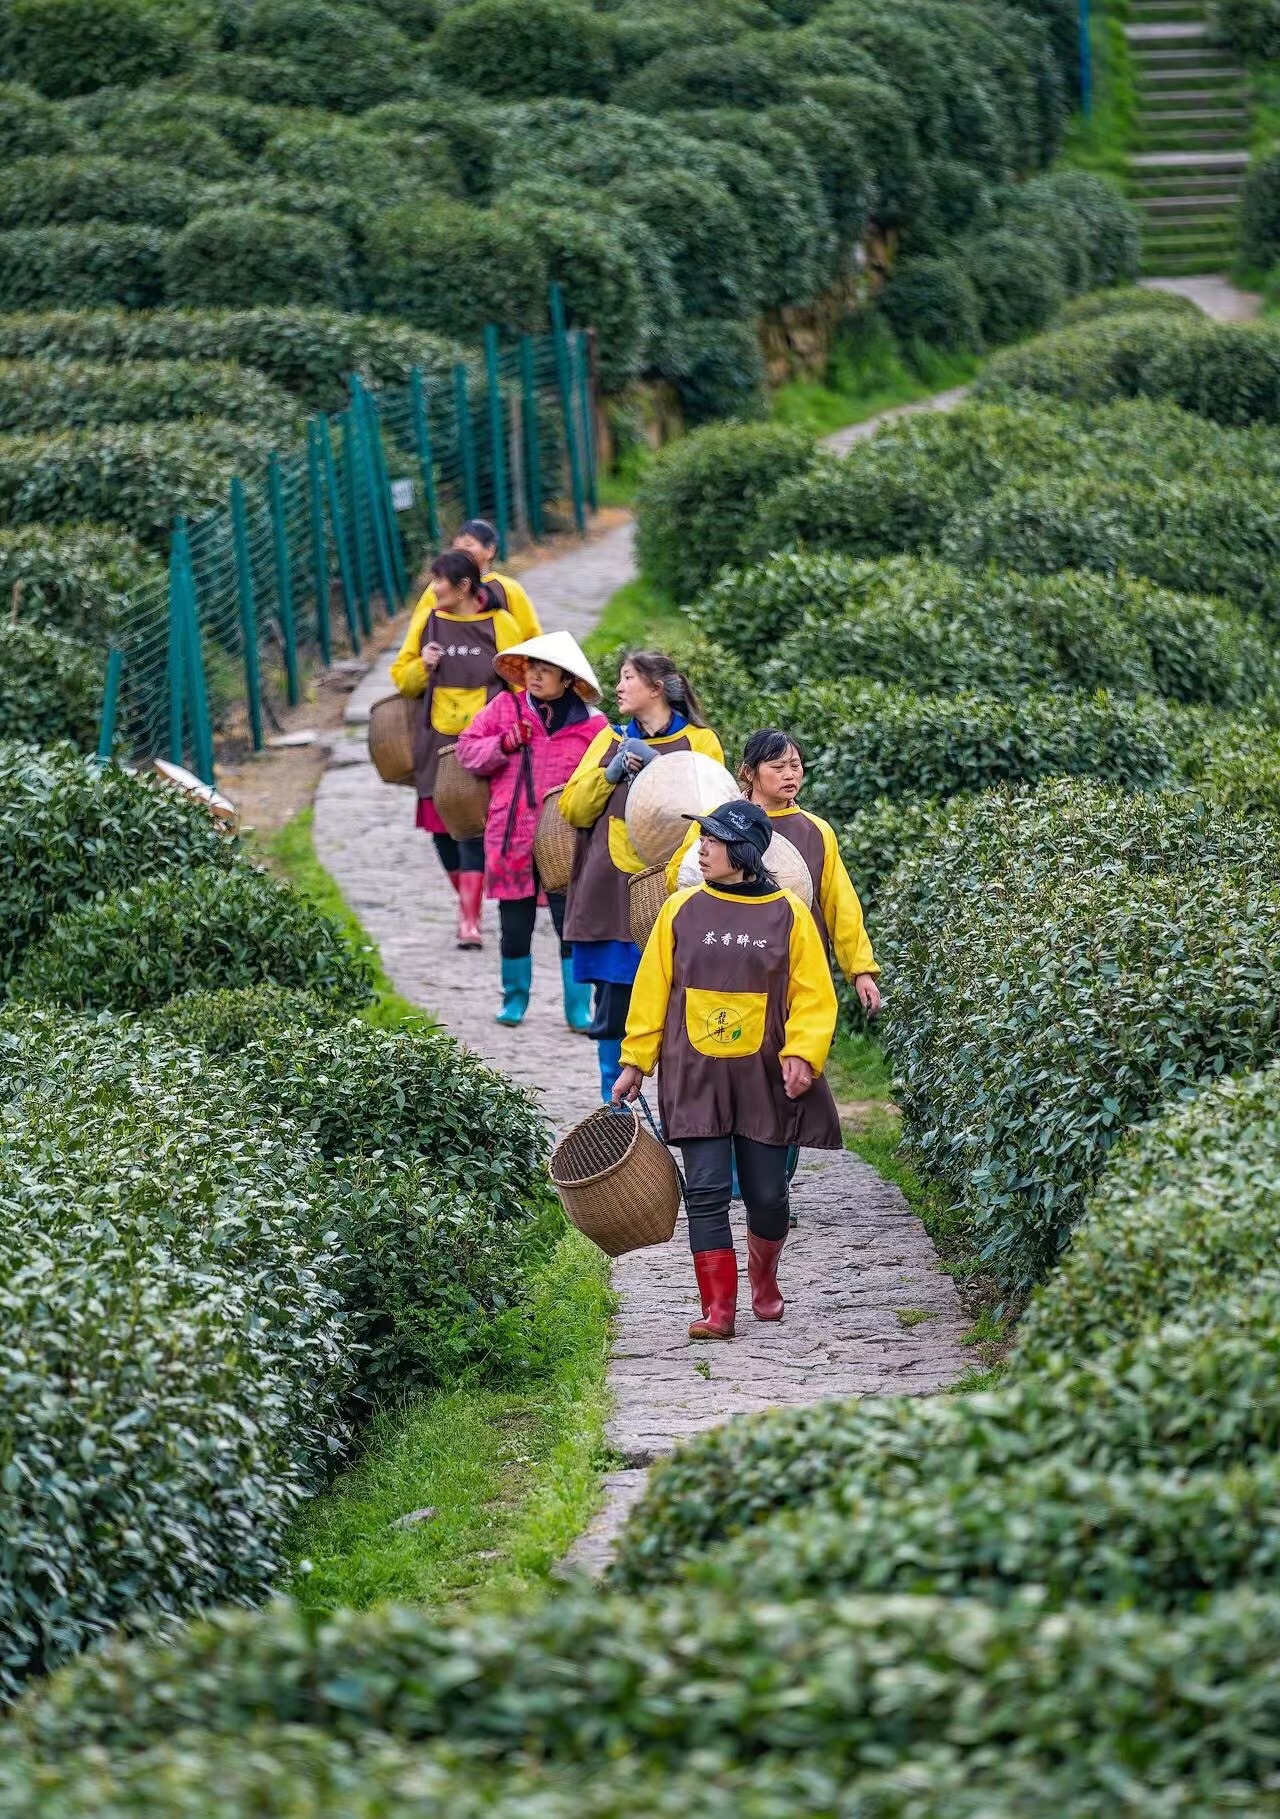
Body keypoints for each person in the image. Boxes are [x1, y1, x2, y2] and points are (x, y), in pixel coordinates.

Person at [612, 799, 841, 1341]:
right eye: (701, 840)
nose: (702, 849)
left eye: (712, 841)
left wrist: (804, 1053)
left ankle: (764, 1278)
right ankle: (719, 1310)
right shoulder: (680, 910)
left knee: (767, 1194)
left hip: (764, 1076)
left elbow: (813, 994)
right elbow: (652, 990)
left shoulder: (789, 913)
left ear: (741, 851)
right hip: (696, 1074)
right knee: (707, 1190)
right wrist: (634, 1061)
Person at [560, 650, 724, 1103]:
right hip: (610, 891)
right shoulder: (608, 739)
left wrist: (662, 773)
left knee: (679, 1005)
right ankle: (614, 1114)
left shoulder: (700, 743)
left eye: (628, 677)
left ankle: (684, 1114)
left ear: (656, 687)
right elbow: (573, 808)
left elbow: (717, 808)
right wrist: (611, 774)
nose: (619, 687)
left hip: (677, 892)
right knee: (613, 1009)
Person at [455, 631, 608, 1031]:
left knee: (570, 921)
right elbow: (466, 750)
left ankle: (578, 1008)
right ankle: (514, 999)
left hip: (565, 836)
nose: (535, 678)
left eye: (545, 671)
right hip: (511, 831)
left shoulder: (594, 728)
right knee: (514, 919)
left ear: (567, 680)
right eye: (531, 670)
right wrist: (503, 743)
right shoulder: (505, 708)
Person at [669, 728, 881, 1016]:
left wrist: (861, 971)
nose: (790, 775)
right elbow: (680, 877)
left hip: (795, 963)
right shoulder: (717, 821)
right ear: (749, 772)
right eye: (778, 767)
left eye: (795, 766)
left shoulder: (816, 832)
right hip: (726, 958)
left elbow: (840, 905)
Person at [390, 549, 521, 948]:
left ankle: (469, 920)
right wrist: (422, 666)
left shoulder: (502, 625)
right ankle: (471, 900)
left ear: (464, 586)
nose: (433, 588)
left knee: (472, 831)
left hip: (485, 748)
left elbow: (520, 683)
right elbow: (402, 680)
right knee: (441, 831)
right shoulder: (429, 621)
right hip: (437, 742)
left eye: (439, 580)